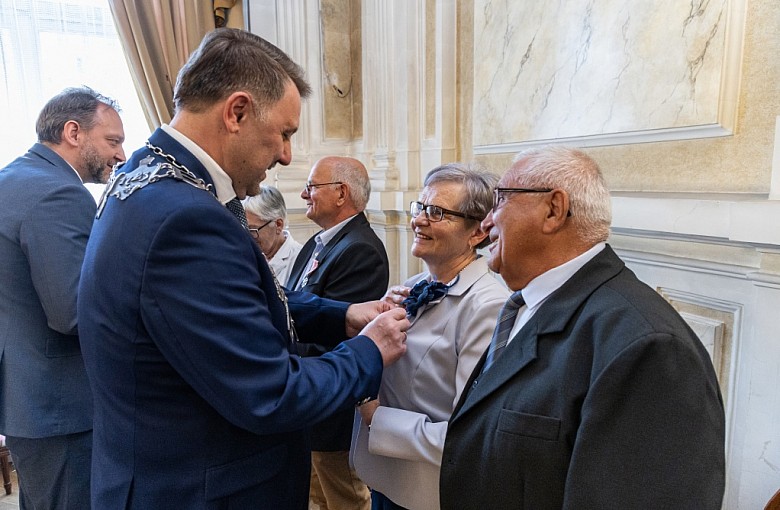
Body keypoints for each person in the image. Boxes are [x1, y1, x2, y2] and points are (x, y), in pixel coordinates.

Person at [77, 28, 409, 510]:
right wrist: (368, 351)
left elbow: (230, 305)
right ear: (237, 112)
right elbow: (271, 394)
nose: (286, 156)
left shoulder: (148, 176)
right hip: (199, 489)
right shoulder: (186, 218)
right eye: (285, 133)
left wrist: (340, 315)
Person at [439, 146, 726, 509]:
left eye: (500, 201)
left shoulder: (649, 348)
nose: (485, 223)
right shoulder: (523, 305)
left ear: (554, 210)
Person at [351, 163, 510, 510]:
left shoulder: (486, 306)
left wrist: (374, 415)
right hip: (386, 478)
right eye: (421, 207)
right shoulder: (413, 287)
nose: (419, 220)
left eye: (437, 212)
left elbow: (466, 434)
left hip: (427, 494)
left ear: (478, 233)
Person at [0, 86, 125, 509]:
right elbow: (73, 312)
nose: (122, 155)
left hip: (28, 401)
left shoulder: (11, 179)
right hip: (64, 407)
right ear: (73, 132)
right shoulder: (59, 192)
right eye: (113, 141)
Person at [287, 156, 390, 510]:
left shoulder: (360, 249)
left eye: (312, 186)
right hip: (308, 407)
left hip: (333, 414)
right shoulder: (320, 241)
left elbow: (339, 339)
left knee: (346, 501)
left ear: (341, 193)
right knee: (317, 499)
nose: (304, 194)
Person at [243, 185, 303, 285]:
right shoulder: (247, 256)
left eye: (252, 230)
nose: (248, 237)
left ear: (278, 225)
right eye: (243, 229)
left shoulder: (300, 260)